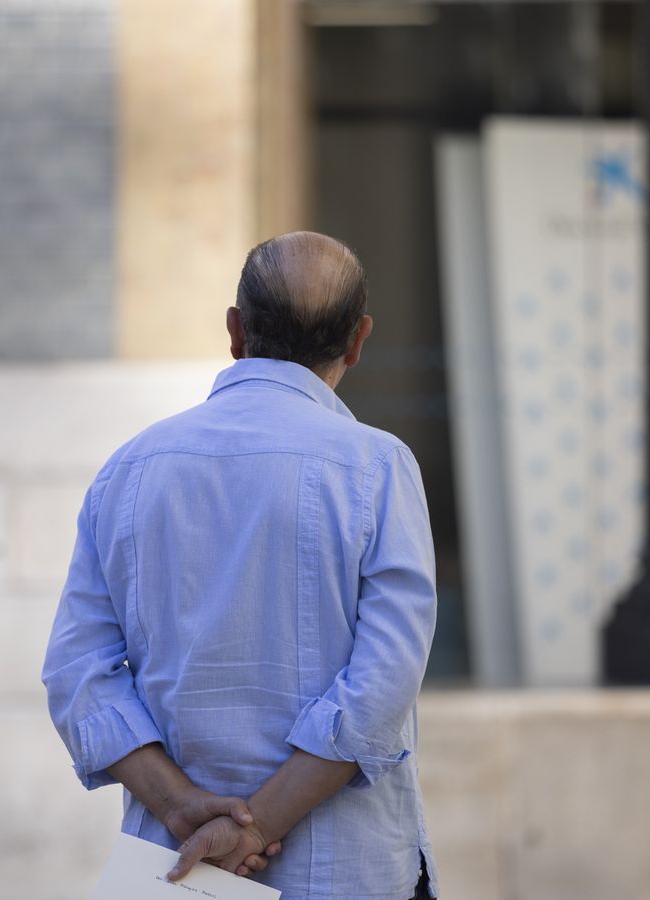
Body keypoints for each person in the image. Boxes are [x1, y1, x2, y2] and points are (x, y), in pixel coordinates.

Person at [42, 231, 439, 899]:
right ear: (359, 339)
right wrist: (255, 827)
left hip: (175, 872)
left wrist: (178, 807)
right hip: (343, 871)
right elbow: (383, 682)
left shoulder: (132, 468)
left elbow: (76, 674)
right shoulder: (376, 466)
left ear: (235, 330)